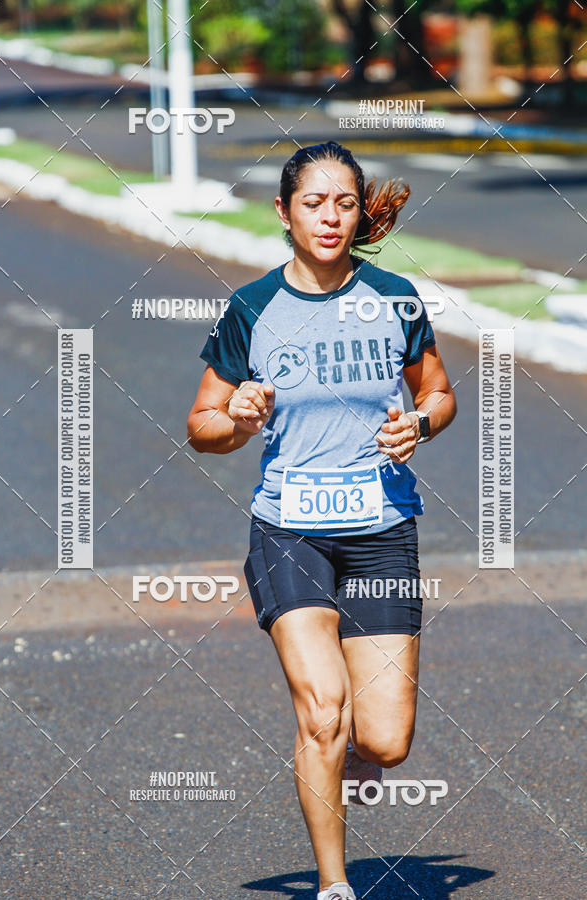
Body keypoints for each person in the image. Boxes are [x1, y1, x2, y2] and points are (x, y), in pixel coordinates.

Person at [187, 140, 457, 900]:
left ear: (358, 208)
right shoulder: (252, 308)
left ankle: (362, 753)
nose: (330, 217)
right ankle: (334, 886)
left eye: (343, 202)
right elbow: (201, 423)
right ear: (284, 212)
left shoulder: (396, 297)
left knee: (385, 739)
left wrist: (422, 426)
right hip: (290, 529)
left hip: (380, 528)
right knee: (323, 713)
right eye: (313, 203)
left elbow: (438, 393)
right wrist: (237, 417)